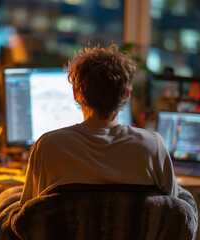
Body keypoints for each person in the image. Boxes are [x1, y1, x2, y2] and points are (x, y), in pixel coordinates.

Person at [20, 44, 178, 205]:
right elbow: (173, 208)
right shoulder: (153, 145)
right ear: (126, 95)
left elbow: (30, 211)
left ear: (76, 93)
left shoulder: (47, 146)